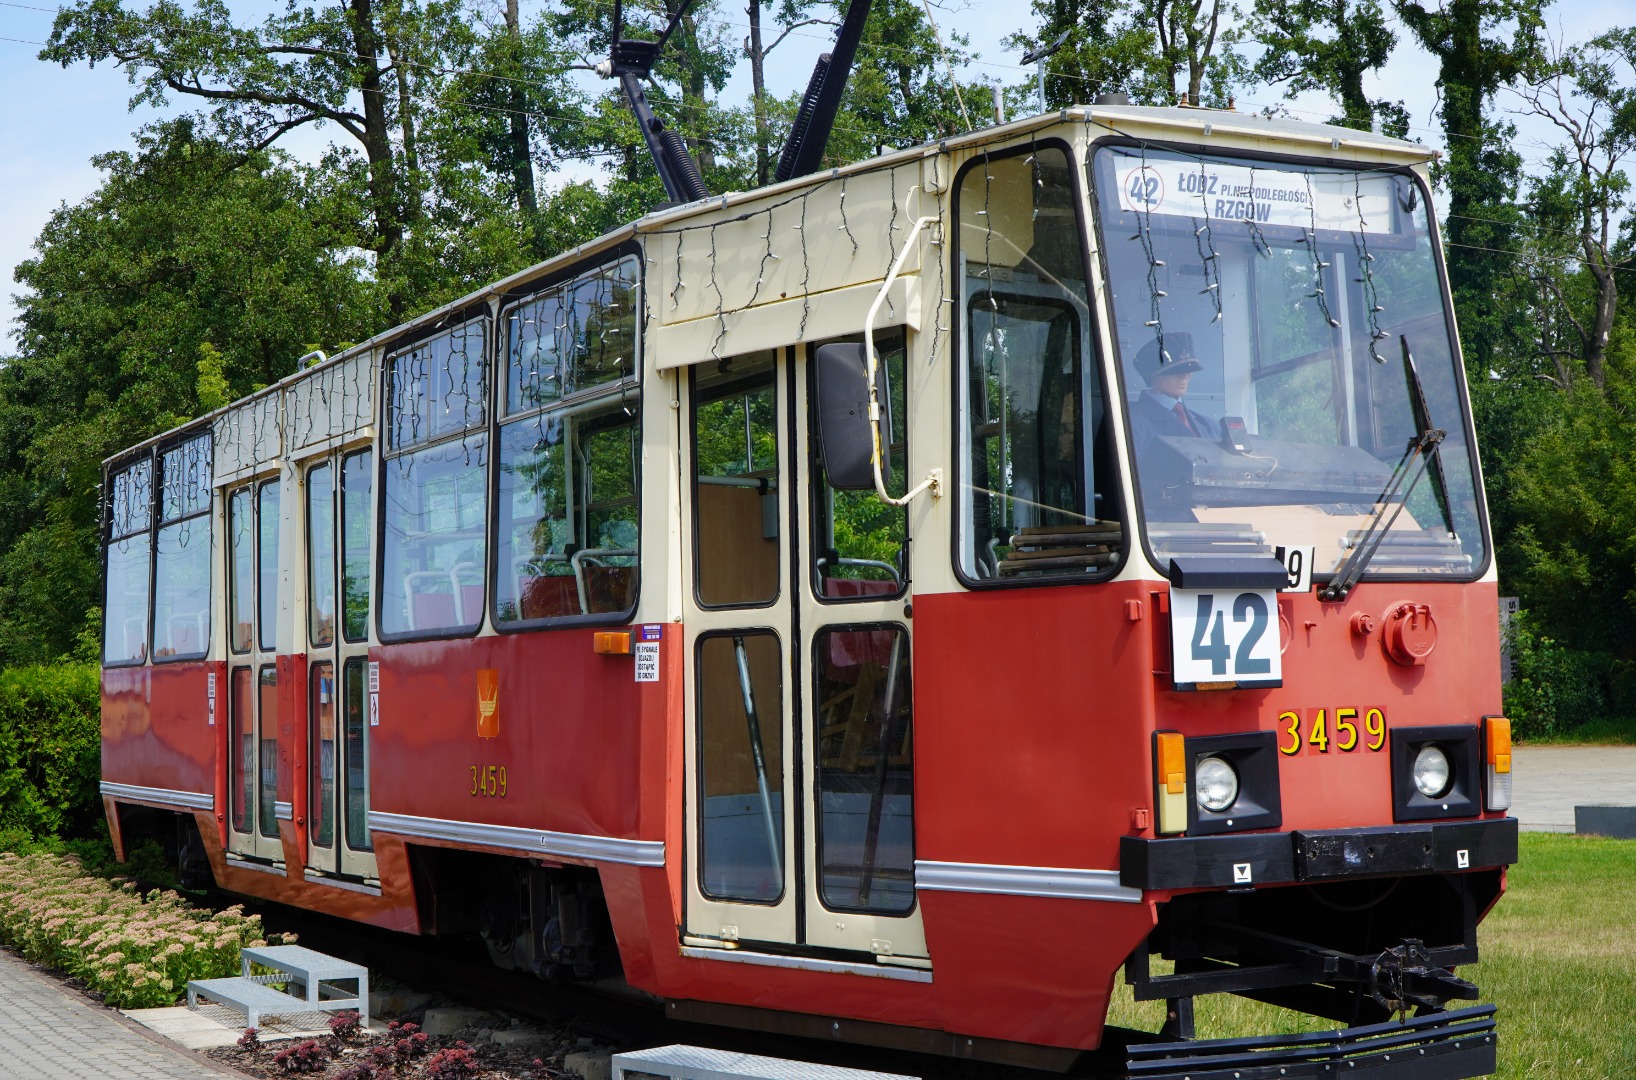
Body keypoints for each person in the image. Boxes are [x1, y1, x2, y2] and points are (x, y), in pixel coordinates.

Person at [1128, 332, 1219, 455]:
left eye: (1189, 370)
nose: (1184, 376)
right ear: (1153, 376)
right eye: (1176, 370)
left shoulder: (1211, 426)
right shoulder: (1131, 425)